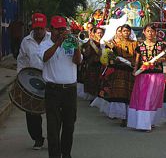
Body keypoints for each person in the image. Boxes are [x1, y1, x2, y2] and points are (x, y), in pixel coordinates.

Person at [39, 15, 82, 158]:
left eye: (63, 29)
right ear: (50, 29)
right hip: (53, 90)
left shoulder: (70, 43)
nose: (60, 32)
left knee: (69, 126)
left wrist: (76, 47)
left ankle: (66, 154)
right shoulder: (44, 44)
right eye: (57, 29)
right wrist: (58, 43)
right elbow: (45, 57)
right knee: (53, 127)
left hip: (69, 90)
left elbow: (77, 61)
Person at [17, 12, 50, 150]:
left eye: (41, 28)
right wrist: (21, 78)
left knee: (53, 112)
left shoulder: (51, 39)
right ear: (32, 27)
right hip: (33, 81)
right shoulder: (26, 41)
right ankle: (37, 139)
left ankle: (54, 138)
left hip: (50, 79)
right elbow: (22, 60)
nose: (39, 31)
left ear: (46, 27)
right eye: (36, 28)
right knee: (31, 112)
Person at [127, 24, 166, 132]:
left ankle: (150, 121)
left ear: (156, 32)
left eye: (152, 31)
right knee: (144, 98)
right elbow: (137, 60)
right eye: (148, 31)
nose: (150, 33)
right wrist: (135, 69)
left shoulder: (161, 45)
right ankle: (143, 124)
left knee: (153, 99)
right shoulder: (140, 46)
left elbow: (165, 58)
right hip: (143, 75)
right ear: (144, 32)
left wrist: (158, 60)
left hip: (156, 74)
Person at [102, 24, 137, 127]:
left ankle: (130, 117)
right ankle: (122, 117)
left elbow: (138, 56)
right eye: (124, 31)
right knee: (120, 93)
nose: (126, 33)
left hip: (131, 71)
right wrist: (114, 59)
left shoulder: (135, 44)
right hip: (120, 71)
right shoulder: (114, 44)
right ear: (120, 32)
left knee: (130, 94)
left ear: (130, 32)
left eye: (128, 31)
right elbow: (109, 57)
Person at [81, 27, 104, 98]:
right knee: (92, 81)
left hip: (102, 65)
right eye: (98, 33)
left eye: (101, 33)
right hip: (92, 64)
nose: (100, 34)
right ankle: (92, 96)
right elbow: (85, 53)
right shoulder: (90, 42)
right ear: (94, 34)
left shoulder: (104, 42)